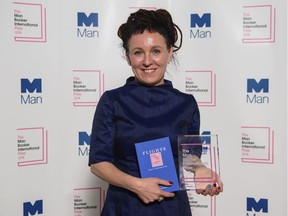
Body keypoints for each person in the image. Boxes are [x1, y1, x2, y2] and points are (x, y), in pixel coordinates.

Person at [89, 8, 223, 216]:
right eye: (138, 52)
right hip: (124, 207)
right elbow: (98, 164)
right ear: (128, 57)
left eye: (156, 51)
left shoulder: (186, 103)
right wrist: (137, 185)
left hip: (172, 208)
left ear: (169, 53)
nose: (147, 61)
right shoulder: (112, 101)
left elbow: (189, 156)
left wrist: (201, 170)